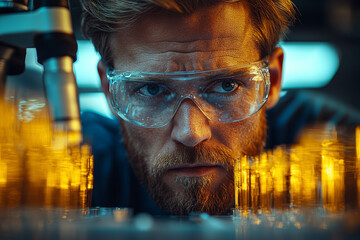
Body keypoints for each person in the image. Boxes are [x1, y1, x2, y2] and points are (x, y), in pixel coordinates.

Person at [79, 0, 296, 215]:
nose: (191, 134)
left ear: (273, 80)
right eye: (151, 90)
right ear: (108, 90)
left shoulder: (320, 146)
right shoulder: (77, 174)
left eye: (226, 86)